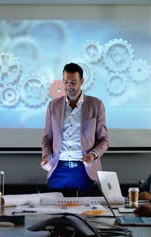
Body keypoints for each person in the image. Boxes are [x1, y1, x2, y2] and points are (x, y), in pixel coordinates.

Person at [40, 63, 109, 195]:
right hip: (58, 169)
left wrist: (93, 155)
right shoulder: (53, 105)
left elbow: (104, 140)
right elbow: (47, 138)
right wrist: (46, 156)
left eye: (73, 82)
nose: (69, 86)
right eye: (66, 82)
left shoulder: (96, 104)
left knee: (87, 213)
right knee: (54, 213)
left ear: (82, 81)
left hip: (85, 170)